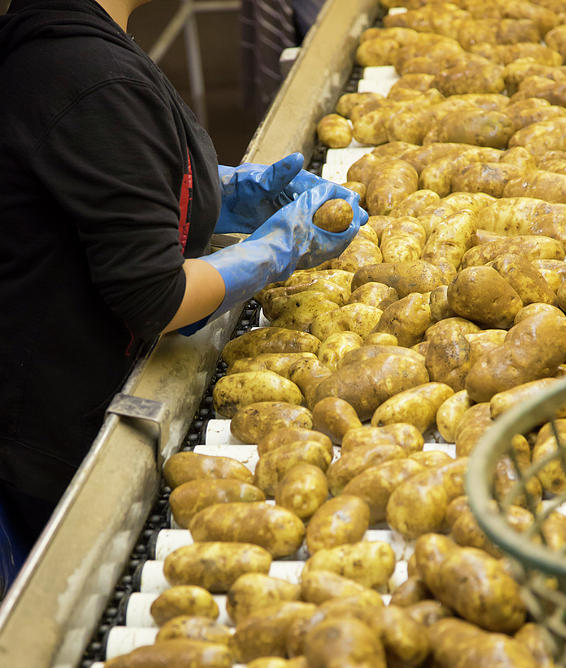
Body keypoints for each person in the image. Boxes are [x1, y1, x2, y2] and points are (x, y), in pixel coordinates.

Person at [0, 0, 366, 583]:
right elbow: (158, 300)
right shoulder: (87, 75)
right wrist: (276, 250)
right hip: (59, 436)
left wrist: (223, 192)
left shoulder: (71, 34)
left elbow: (101, 177)